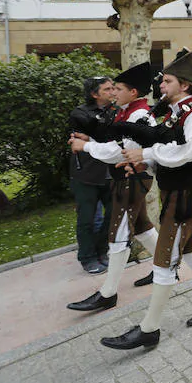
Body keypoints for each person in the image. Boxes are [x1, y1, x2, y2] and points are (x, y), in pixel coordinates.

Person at [100, 50, 192, 350]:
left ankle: (150, 328)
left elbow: (188, 153)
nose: (161, 85)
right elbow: (170, 150)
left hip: (185, 195)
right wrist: (147, 164)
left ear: (184, 85)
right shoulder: (177, 113)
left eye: (168, 80)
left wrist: (145, 154)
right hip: (175, 190)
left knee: (164, 260)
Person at [67, 63, 158, 312]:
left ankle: (108, 293)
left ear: (134, 91)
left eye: (118, 88)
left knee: (118, 235)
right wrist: (91, 139)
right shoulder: (126, 111)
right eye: (111, 88)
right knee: (142, 228)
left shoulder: (138, 115)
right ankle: (167, 267)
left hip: (132, 178)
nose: (114, 93)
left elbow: (120, 150)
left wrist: (85, 147)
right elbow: (115, 141)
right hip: (124, 178)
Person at [68, 76, 116, 275]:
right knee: (86, 219)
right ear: (94, 94)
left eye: (114, 87)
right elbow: (104, 134)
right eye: (107, 89)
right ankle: (87, 257)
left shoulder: (116, 110)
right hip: (86, 175)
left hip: (111, 173)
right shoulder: (80, 114)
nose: (113, 92)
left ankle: (102, 251)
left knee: (112, 215)